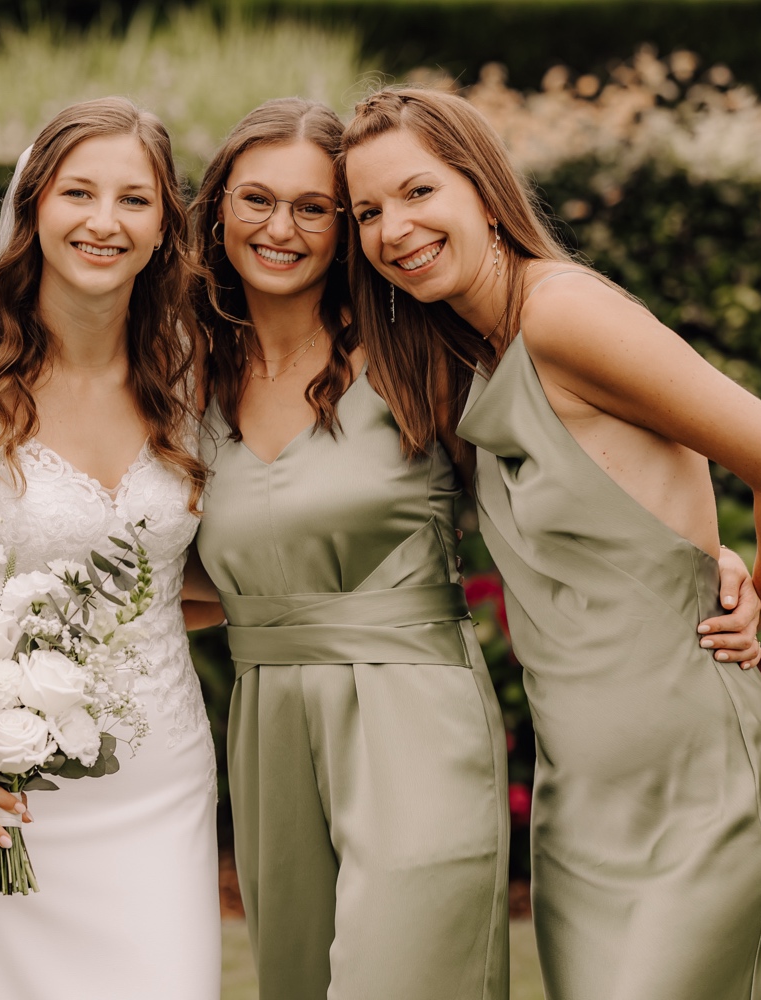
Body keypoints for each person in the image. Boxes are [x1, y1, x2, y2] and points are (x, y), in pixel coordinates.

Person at [341, 86, 761, 1000]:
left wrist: (759, 587)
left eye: (417, 191)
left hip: (698, 781)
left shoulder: (563, 314)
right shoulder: (472, 353)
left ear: (483, 191)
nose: (392, 228)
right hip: (582, 796)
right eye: (367, 211)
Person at [0, 96, 221, 1000]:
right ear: (34, 208)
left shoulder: (195, 377)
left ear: (165, 227)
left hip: (160, 781)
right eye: (79, 193)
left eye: (135, 200)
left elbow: (244, 555)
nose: (104, 222)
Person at [187, 96, 511, 1000]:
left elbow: (570, 467)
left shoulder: (423, 355)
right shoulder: (184, 374)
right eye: (255, 200)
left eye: (315, 207)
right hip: (267, 724)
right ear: (216, 213)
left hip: (415, 714)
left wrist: (693, 551)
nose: (280, 228)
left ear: (346, 229)